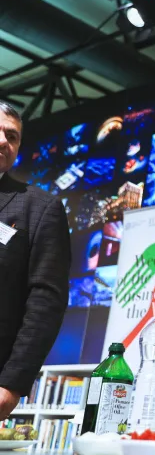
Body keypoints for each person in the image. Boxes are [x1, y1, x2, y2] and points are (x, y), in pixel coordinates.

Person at [0, 101, 70, 420]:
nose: (4, 141)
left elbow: (46, 300)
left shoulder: (39, 208)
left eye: (12, 136)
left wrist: (11, 385)